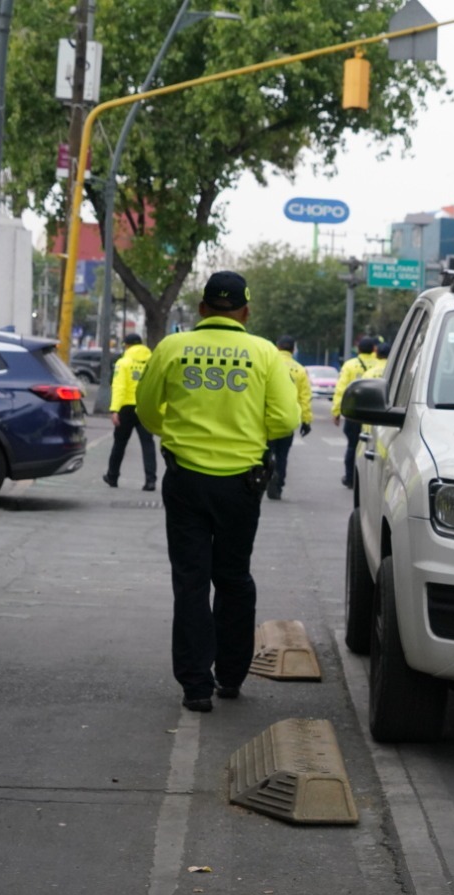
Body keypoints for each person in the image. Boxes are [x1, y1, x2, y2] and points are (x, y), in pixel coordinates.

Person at [135, 271, 300, 713]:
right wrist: (245, 435)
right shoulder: (264, 353)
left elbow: (147, 410)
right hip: (241, 484)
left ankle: (195, 687)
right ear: (245, 312)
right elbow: (285, 420)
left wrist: (180, 433)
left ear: (203, 309)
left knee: (191, 581)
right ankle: (230, 676)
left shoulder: (172, 348)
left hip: (185, 479)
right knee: (233, 578)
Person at [102, 333, 158, 491]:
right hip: (145, 407)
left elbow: (119, 387)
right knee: (148, 444)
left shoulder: (123, 363)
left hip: (126, 408)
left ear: (127, 345)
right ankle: (150, 480)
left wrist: (114, 410)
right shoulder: (152, 362)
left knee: (119, 444)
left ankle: (112, 477)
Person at [331, 334, 387, 489]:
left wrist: (336, 411)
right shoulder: (384, 366)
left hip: (355, 413)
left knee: (353, 446)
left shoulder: (350, 365)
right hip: (379, 414)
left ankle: (350, 477)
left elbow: (341, 389)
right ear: (374, 350)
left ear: (358, 349)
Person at [264, 335, 312, 501]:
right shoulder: (300, 370)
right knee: (282, 456)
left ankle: (265, 477)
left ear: (277, 348)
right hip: (287, 422)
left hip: (266, 421)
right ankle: (278, 482)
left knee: (265, 453)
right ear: (293, 350)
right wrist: (306, 420)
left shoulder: (269, 365)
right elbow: (304, 397)